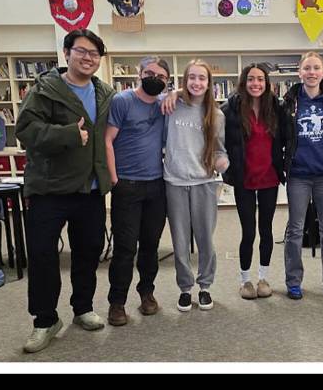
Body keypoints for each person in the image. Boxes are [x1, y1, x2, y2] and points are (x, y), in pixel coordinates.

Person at [15, 29, 114, 353]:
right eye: (82, 52)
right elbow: (25, 131)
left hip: (90, 189)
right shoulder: (45, 90)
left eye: (94, 54)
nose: (88, 58)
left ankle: (82, 307)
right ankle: (45, 320)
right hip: (49, 189)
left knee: (88, 253)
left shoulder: (105, 93)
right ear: (67, 53)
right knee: (43, 256)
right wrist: (69, 135)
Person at [104, 56, 171, 326]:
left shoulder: (164, 104)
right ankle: (117, 302)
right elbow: (108, 140)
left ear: (167, 81)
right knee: (124, 248)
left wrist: (174, 92)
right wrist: (114, 180)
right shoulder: (123, 101)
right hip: (127, 186)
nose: (154, 78)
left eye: (161, 76)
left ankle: (147, 293)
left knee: (150, 246)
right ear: (139, 73)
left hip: (157, 186)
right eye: (149, 72)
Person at [281, 52, 323, 300]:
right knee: (295, 230)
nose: (311, 72)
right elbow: (280, 136)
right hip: (298, 175)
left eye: (316, 68)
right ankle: (293, 281)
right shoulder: (289, 101)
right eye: (307, 68)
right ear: (299, 72)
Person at [164, 60, 229, 313]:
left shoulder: (217, 114)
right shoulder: (171, 106)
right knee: (180, 241)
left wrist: (223, 161)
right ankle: (184, 289)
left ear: (209, 83)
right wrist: (173, 93)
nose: (197, 82)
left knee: (205, 239)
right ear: (185, 80)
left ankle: (204, 287)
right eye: (192, 77)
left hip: (204, 182)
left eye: (202, 78)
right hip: (175, 182)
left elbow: (220, 149)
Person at [221, 64, 287, 300]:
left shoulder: (277, 107)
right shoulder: (231, 108)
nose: (256, 84)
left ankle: (263, 278)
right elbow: (219, 136)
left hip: (269, 177)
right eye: (251, 79)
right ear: (244, 82)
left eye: (260, 79)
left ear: (267, 82)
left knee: (266, 230)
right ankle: (245, 280)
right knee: (248, 232)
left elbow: (287, 138)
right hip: (244, 178)